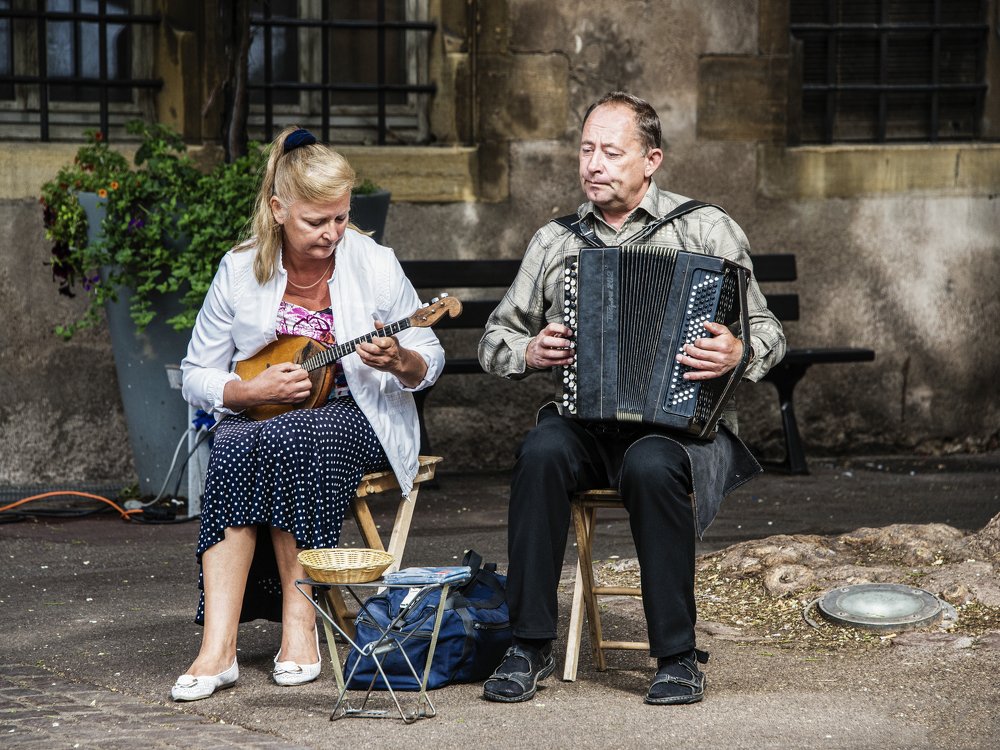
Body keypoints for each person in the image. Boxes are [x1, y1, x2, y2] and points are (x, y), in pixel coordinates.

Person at [478, 92, 786, 705]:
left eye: (610, 152)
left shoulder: (706, 228)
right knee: (540, 451)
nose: (593, 164)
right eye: (586, 150)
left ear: (652, 160)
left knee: (650, 464)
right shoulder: (555, 241)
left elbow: (769, 330)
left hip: (677, 433)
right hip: (585, 429)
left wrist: (738, 352)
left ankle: (676, 656)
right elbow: (495, 338)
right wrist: (528, 352)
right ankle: (528, 644)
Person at [172, 126, 443, 701]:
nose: (331, 234)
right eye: (315, 221)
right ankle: (216, 647)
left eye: (340, 218)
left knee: (295, 435)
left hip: (359, 415)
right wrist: (246, 391)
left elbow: (431, 357)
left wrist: (401, 359)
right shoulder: (240, 269)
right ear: (277, 210)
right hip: (266, 414)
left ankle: (301, 627)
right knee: (237, 440)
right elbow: (196, 372)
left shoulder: (372, 261)